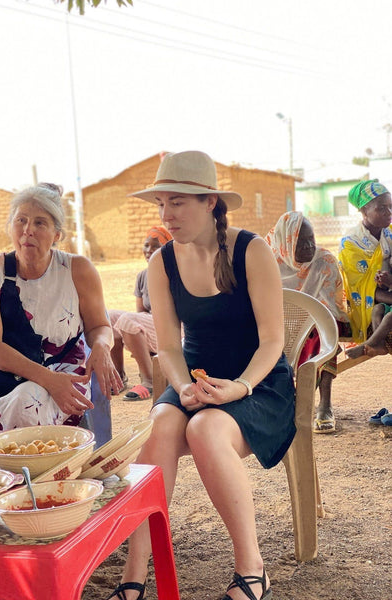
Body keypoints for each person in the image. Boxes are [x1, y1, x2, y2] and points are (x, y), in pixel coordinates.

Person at [107, 151, 296, 600]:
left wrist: (240, 386)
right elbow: (169, 346)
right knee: (160, 424)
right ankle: (134, 574)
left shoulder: (252, 250)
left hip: (258, 382)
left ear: (210, 202)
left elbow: (273, 341)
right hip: (193, 379)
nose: (166, 215)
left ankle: (252, 569)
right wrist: (181, 385)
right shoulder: (162, 263)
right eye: (161, 204)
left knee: (208, 428)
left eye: (177, 202)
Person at [0, 185, 121, 464]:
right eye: (21, 220)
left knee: (30, 399)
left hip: (63, 374)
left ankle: (34, 488)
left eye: (39, 222)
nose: (27, 230)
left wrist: (102, 346)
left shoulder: (77, 270)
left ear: (57, 234)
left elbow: (99, 326)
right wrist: (45, 379)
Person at [265, 211, 350, 434]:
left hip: (319, 319)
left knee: (321, 333)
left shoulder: (324, 261)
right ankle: (278, 401)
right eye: (300, 242)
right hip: (277, 320)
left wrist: (306, 318)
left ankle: (324, 405)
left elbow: (331, 306)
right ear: (286, 241)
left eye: (311, 240)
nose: (309, 247)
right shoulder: (267, 262)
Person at [109, 225, 172, 400]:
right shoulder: (142, 276)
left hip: (174, 328)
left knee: (127, 320)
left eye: (155, 247)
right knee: (110, 317)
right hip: (151, 325)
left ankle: (150, 380)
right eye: (146, 245)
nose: (148, 250)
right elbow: (141, 312)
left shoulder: (175, 273)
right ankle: (118, 377)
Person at [339, 179, 392, 357]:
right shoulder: (351, 244)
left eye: (390, 206)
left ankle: (377, 344)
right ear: (364, 211)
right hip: (368, 303)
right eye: (381, 208)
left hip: (388, 294)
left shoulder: (390, 233)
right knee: (380, 312)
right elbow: (361, 290)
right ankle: (377, 343)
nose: (389, 212)